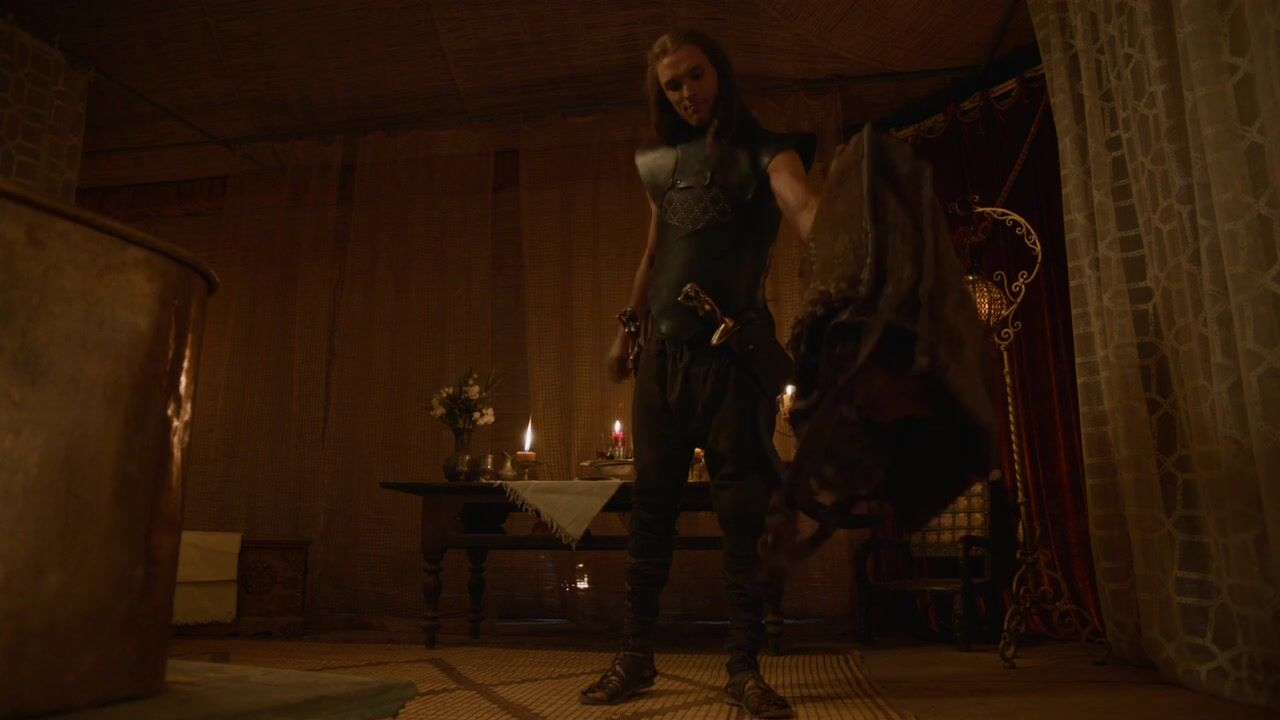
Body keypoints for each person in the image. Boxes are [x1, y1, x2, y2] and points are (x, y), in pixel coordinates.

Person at [579, 29, 818, 719]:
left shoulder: (768, 150)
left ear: (720, 72)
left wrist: (850, 246)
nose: (687, 92)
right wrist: (626, 329)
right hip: (663, 360)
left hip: (733, 359)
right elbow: (655, 252)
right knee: (650, 511)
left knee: (740, 517)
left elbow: (803, 207)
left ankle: (744, 667)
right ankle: (635, 657)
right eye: (673, 85)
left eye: (695, 75)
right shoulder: (661, 164)